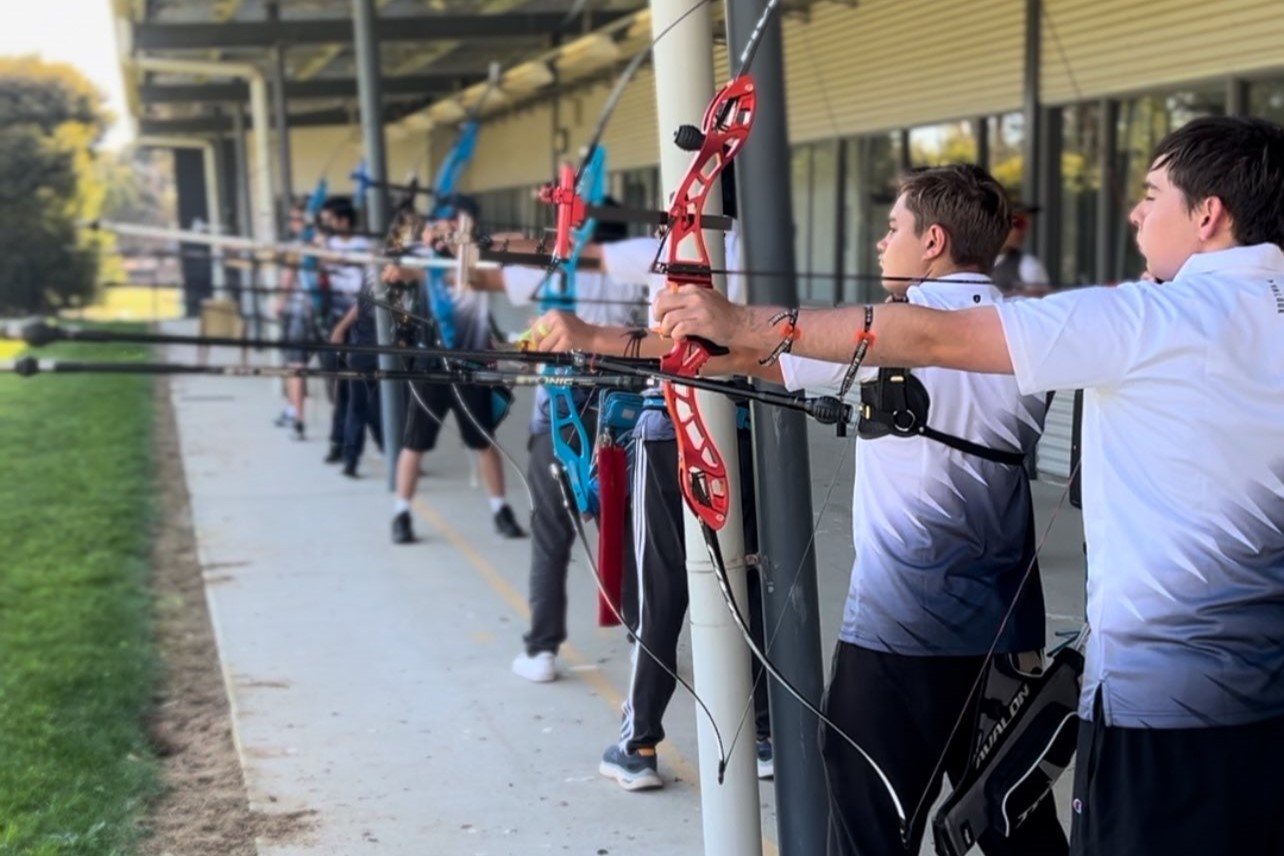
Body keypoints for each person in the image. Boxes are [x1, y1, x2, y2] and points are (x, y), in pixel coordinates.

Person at [654, 116, 1284, 856]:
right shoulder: (1188, 312)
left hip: (1160, 715)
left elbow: (930, 336)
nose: (1137, 213)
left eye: (1152, 195)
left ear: (1208, 214)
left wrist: (740, 319)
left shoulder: (1151, 317)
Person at [526, 170, 777, 789]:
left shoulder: (682, 250)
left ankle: (637, 746)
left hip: (674, 432)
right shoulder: (768, 255)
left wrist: (570, 231)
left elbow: (673, 344)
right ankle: (766, 737)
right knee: (749, 581)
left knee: (656, 593)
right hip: (746, 436)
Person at [462, 201, 648, 682]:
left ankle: (542, 650)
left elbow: (478, 280)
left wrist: (473, 241)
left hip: (560, 419)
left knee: (551, 535)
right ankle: (640, 639)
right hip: (621, 418)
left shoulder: (557, 266)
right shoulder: (637, 270)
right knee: (622, 532)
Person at [380, 195, 526, 543]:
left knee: (482, 441)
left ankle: (500, 509)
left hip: (470, 363)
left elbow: (518, 240)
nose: (448, 228)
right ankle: (401, 513)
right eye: (444, 222)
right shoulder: (426, 255)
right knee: (414, 444)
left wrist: (470, 240)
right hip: (431, 365)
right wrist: (412, 255)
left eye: (457, 222)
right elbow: (395, 270)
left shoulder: (477, 253)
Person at [315, 197, 371, 466]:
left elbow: (365, 298)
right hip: (334, 319)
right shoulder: (329, 245)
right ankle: (339, 444)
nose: (328, 226)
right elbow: (320, 264)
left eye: (332, 221)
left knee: (354, 392)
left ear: (344, 221)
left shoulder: (365, 247)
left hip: (356, 325)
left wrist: (341, 328)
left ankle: (350, 453)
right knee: (339, 391)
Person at [992, 199, 1051, 296]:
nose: (1024, 231)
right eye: (1018, 223)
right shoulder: (966, 261)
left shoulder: (1029, 265)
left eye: (1026, 224)